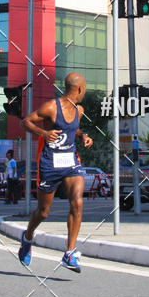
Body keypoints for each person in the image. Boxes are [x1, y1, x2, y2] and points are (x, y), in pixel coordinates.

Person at [18, 73, 92, 273]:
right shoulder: (51, 107)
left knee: (77, 201)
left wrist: (83, 135)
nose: (84, 92)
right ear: (78, 89)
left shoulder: (79, 110)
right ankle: (27, 237)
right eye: (84, 88)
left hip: (70, 161)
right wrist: (44, 133)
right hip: (50, 163)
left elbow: (72, 130)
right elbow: (25, 122)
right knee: (43, 212)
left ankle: (69, 252)